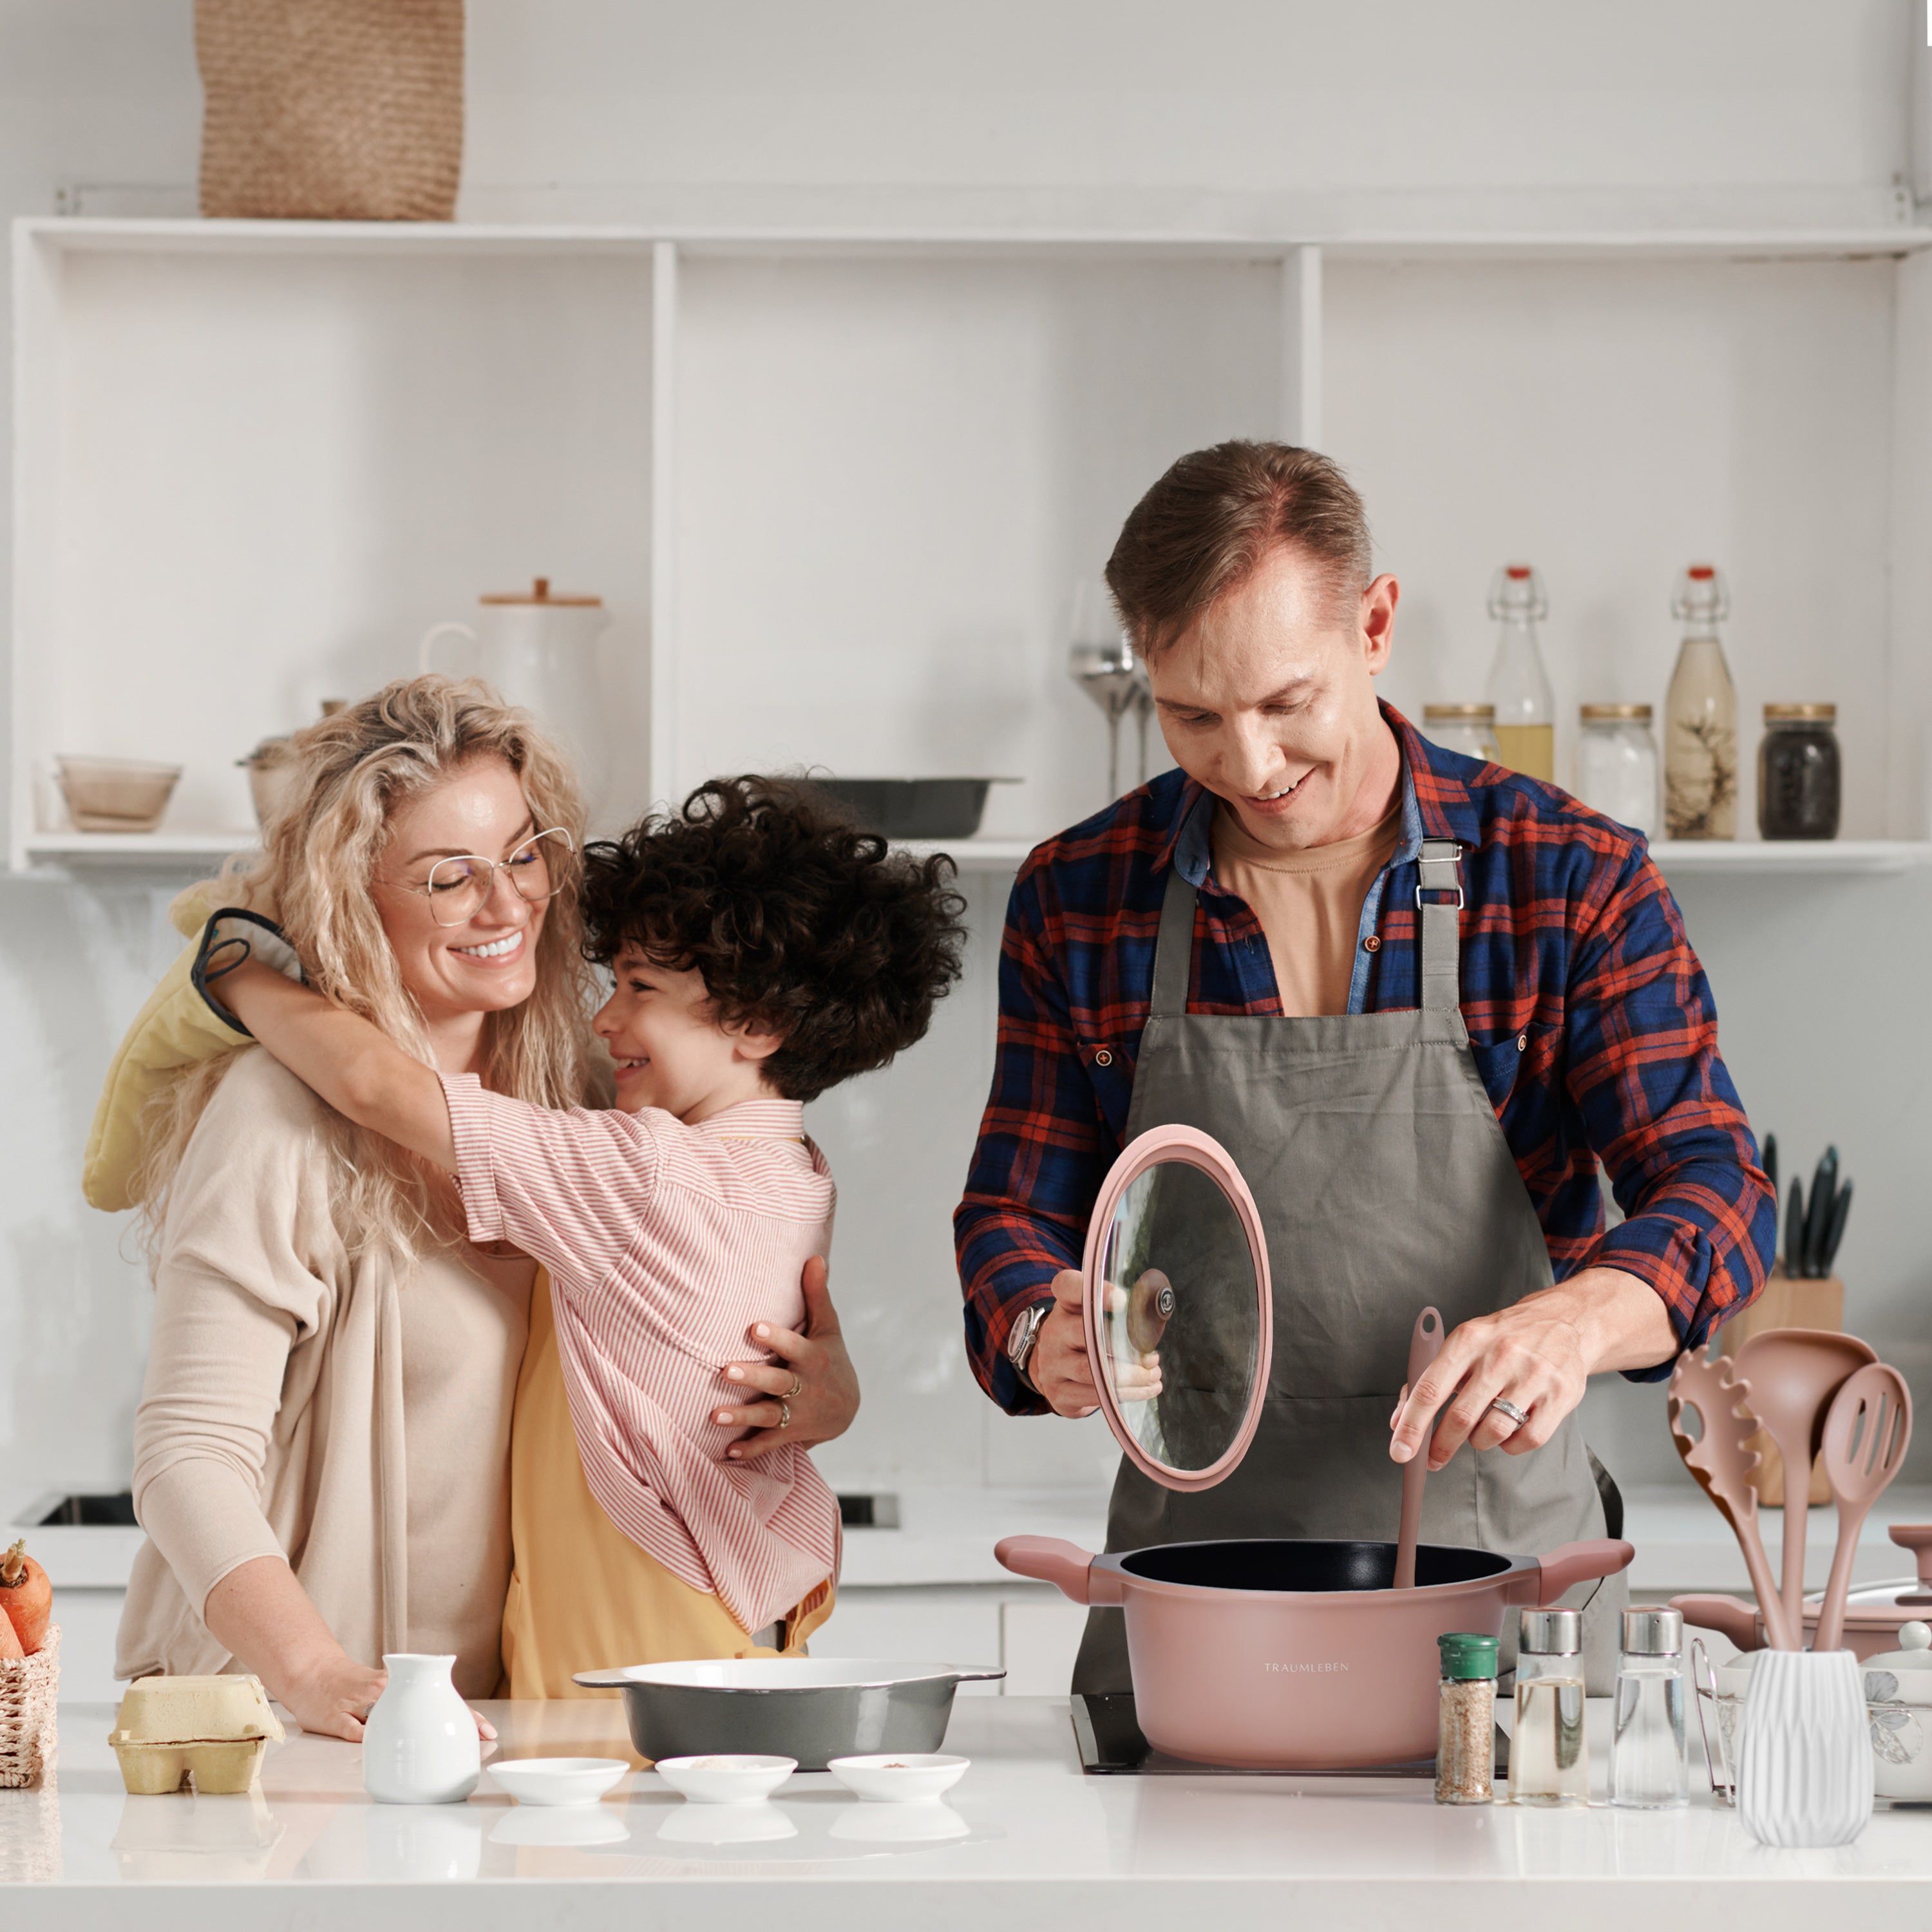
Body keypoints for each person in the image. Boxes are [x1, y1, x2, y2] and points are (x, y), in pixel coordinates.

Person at [956, 442, 1776, 1689]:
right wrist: (1034, 1321)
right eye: (1193, 715)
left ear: (1376, 624)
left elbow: (1715, 1187)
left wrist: (1571, 1322)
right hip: (1191, 1609)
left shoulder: (1564, 874)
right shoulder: (1081, 896)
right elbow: (1013, 1212)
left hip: (1500, 1608)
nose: (1247, 762)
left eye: (1287, 702)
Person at [93, 679, 860, 1734]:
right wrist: (316, 1672)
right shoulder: (276, 1116)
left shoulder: (598, 1105)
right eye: (448, 877)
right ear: (353, 897)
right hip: (288, 1717)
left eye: (522, 854)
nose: (506, 907)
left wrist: (825, 1393)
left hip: (508, 1725)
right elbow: (186, 1458)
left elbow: (716, 1306)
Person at [205, 776, 967, 1657]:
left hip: (645, 1629)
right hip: (726, 1620)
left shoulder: (648, 1178)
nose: (605, 1018)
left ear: (756, 1024)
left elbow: (375, 1087)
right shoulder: (795, 1174)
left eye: (640, 986)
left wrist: (239, 972)